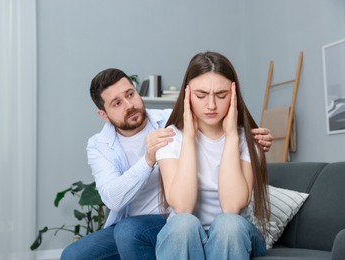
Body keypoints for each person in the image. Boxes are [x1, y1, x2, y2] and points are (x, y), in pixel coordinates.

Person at [60, 68, 273, 260]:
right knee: (73, 255)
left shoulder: (172, 121)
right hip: (147, 221)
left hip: (173, 215)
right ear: (103, 115)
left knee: (140, 231)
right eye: (117, 103)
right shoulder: (99, 145)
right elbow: (113, 200)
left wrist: (254, 138)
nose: (129, 105)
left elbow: (213, 116)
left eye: (130, 94)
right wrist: (147, 160)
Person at [155, 51, 270, 259]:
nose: (211, 105)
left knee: (228, 224)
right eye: (201, 96)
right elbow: (182, 206)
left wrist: (232, 136)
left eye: (221, 95)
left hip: (237, 236)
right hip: (185, 234)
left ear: (234, 95)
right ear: (187, 94)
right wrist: (189, 138)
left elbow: (232, 207)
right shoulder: (170, 138)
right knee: (183, 224)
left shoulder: (250, 139)